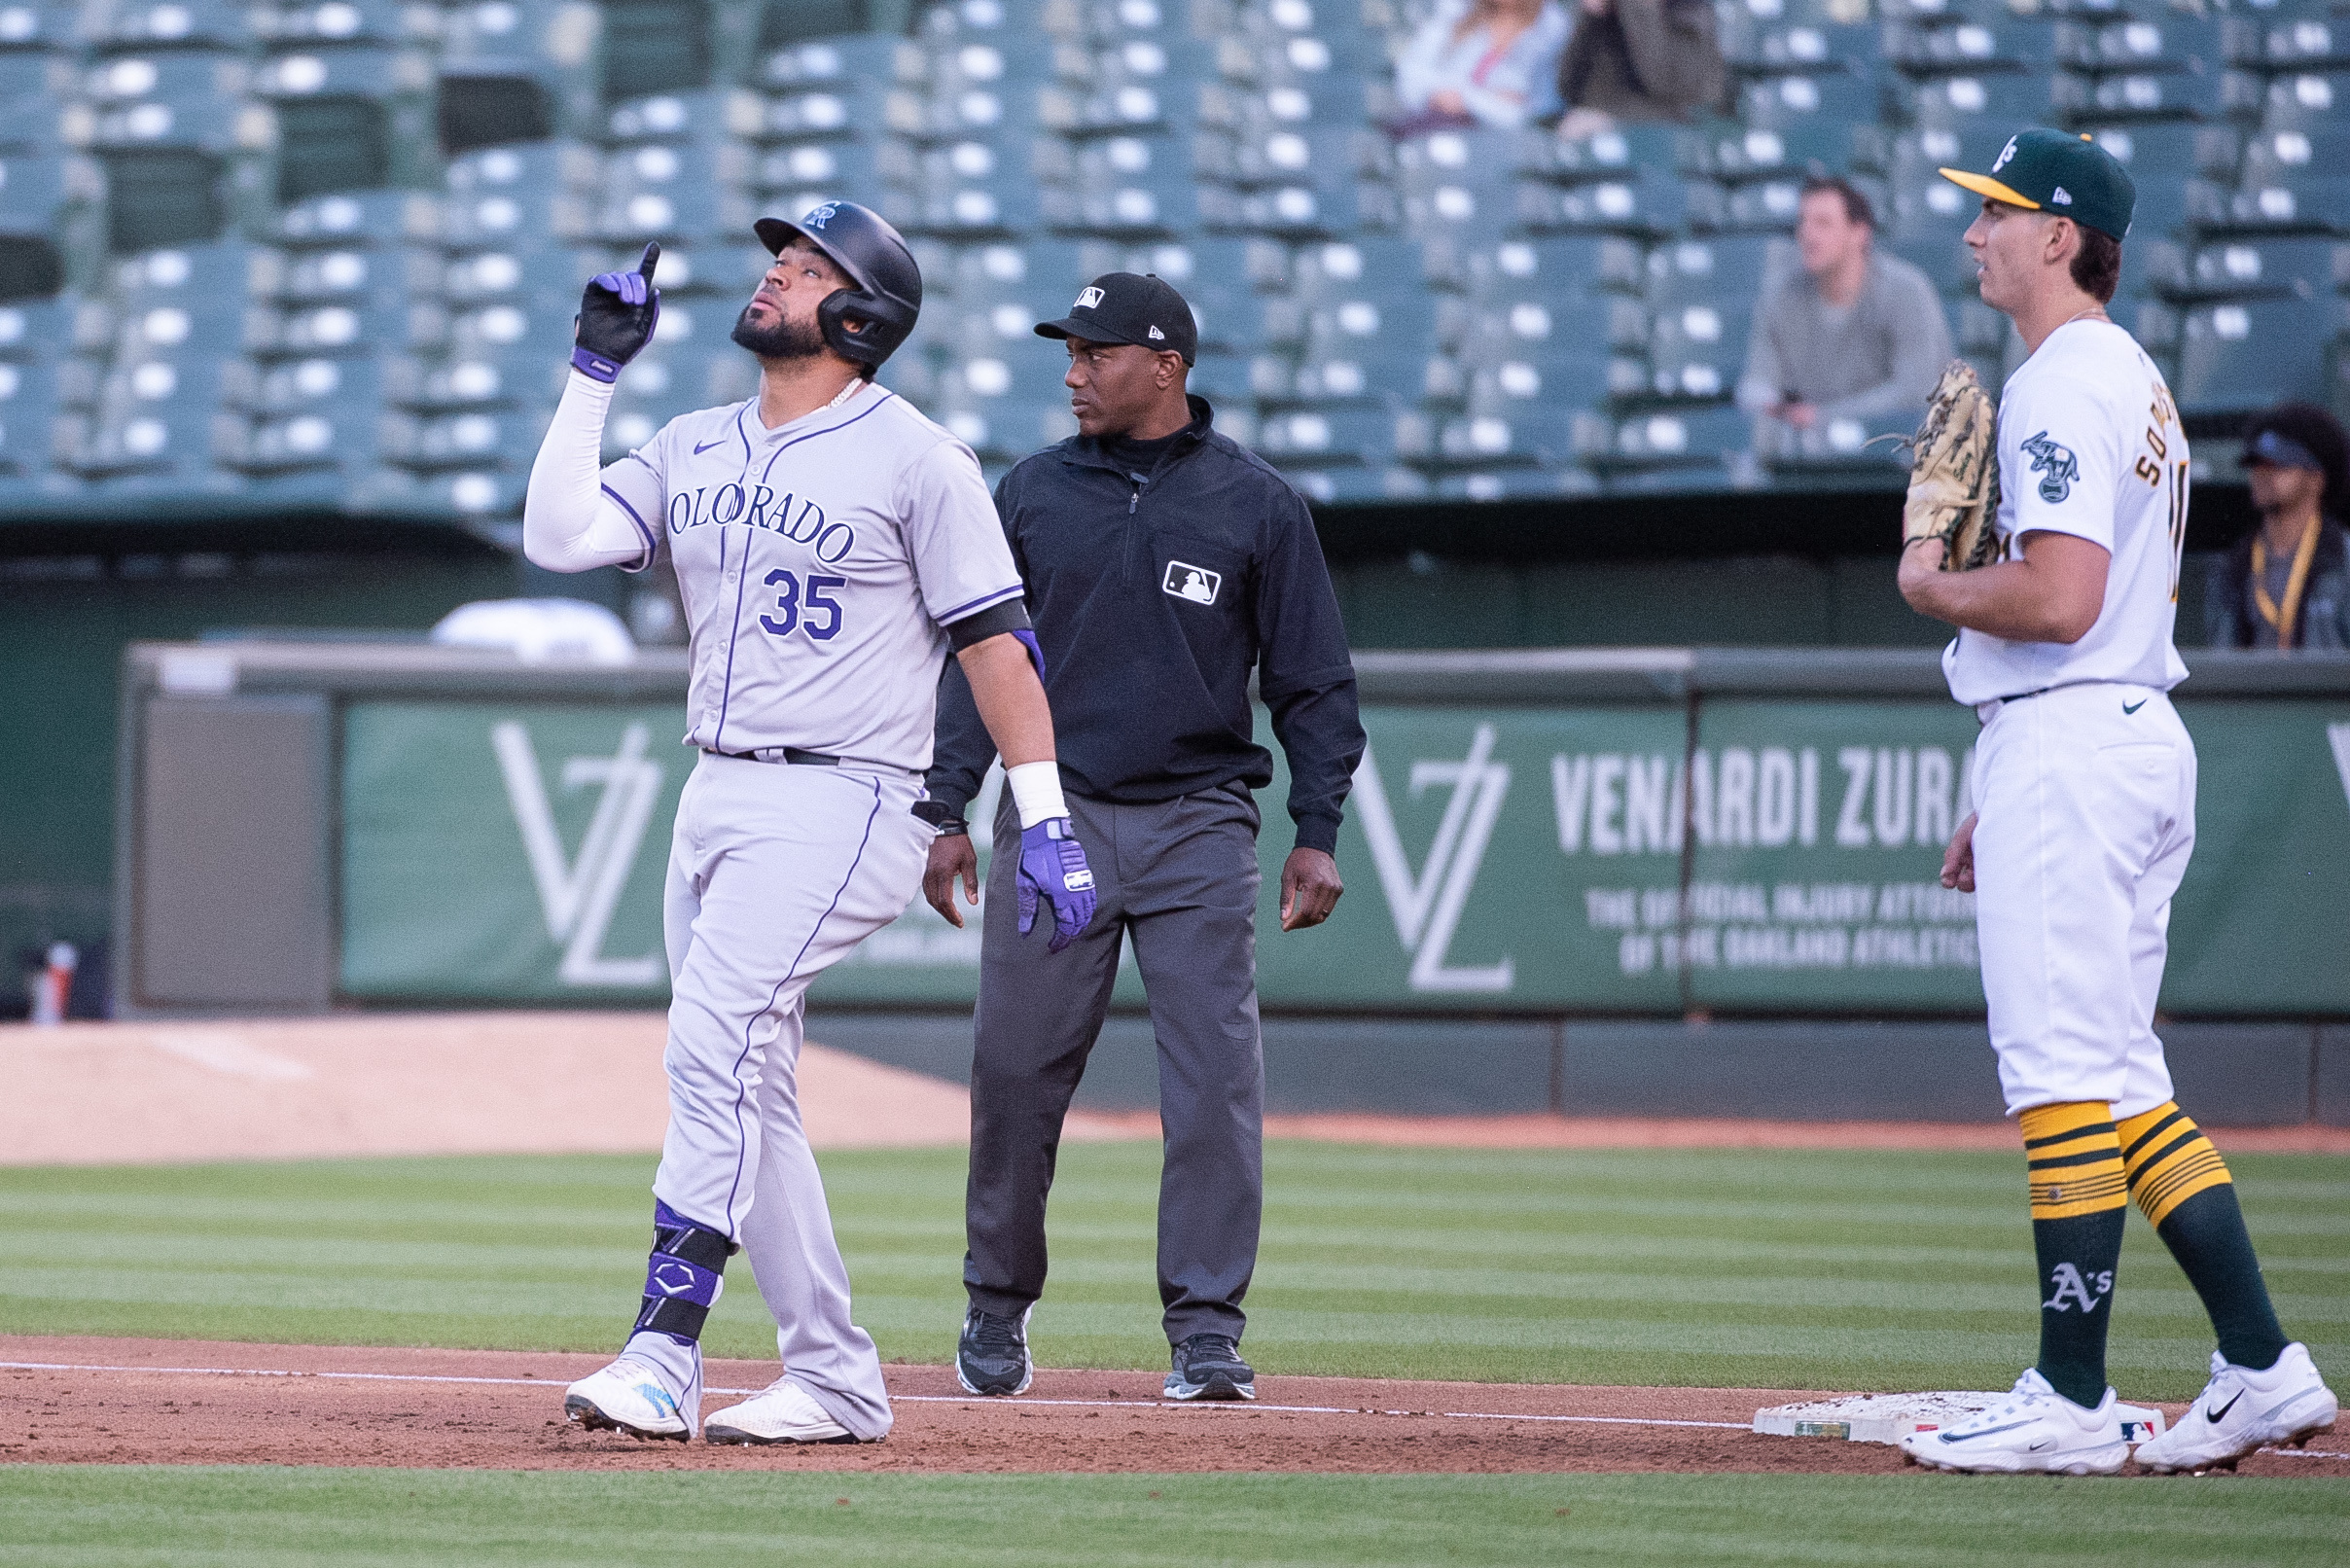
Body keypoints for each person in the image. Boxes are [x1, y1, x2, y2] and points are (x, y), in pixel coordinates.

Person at [520, 205, 1098, 1446]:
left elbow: (996, 641)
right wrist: (592, 375)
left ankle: (665, 1346)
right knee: (752, 1086)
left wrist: (1041, 814)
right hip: (715, 789)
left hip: (845, 792)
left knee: (710, 1039)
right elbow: (559, 535)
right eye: (783, 256)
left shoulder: (917, 458)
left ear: (860, 316)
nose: (777, 270)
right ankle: (835, 1377)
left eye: (810, 264)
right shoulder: (696, 440)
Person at [1895, 128, 2337, 1476]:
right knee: (2122, 1078)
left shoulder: (2062, 384)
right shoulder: (2127, 375)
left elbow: (2061, 596)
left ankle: (2073, 1394)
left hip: (2078, 741)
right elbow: (2089, 617)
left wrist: (1927, 580)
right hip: (2116, 730)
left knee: (2059, 1078)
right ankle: (2263, 1364)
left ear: (2062, 235)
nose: (1977, 232)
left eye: (2001, 213)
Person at [921, 272, 1366, 1405]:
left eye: (1094, 353)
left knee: (1213, 1086)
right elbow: (982, 664)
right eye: (1068, 352)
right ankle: (994, 1308)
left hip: (1200, 827)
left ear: (1164, 365)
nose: (1072, 372)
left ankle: (1206, 1331)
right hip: (1051, 817)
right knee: (1015, 1075)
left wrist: (1316, 828)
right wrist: (945, 805)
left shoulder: (1255, 504)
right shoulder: (1026, 493)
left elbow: (1312, 682)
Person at [1736, 176, 1953, 458]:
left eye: (1823, 223)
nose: (1807, 234)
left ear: (1859, 233)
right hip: (1812, 458)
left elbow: (1916, 390)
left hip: (1900, 451)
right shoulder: (1779, 295)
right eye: (1803, 221)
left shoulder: (1907, 290)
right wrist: (1768, 404)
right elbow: (1755, 383)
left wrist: (1822, 416)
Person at [2205, 403, 2350, 650]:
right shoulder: (2231, 567)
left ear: (2317, 479)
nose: (2262, 474)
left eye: (2279, 465)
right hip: (2248, 688)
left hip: (2324, 689)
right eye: (2256, 464)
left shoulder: (2342, 561)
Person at [1391, 0, 1570, 133]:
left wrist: (1464, 98)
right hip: (1431, 125)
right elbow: (1411, 73)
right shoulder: (1458, 7)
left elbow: (1529, 113)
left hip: (1500, 147)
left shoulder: (1552, 27)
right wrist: (1478, 98)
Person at [1552, 0, 1724, 139]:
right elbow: (1567, 86)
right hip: (1592, 127)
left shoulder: (1691, 12)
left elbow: (1668, 86)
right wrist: (1589, 17)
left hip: (1661, 137)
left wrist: (1641, 9)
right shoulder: (1611, 11)